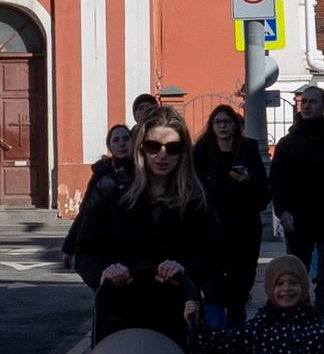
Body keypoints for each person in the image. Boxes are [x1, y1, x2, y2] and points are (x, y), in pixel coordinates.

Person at [67, 109, 223, 336]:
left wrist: (185, 270)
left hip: (175, 312)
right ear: (140, 148)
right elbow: (85, 251)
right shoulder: (110, 189)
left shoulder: (197, 194)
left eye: (172, 148)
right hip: (119, 311)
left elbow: (214, 252)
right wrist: (104, 273)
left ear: (182, 152)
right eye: (153, 147)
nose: (162, 155)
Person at [266, 81, 324, 317]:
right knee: (297, 277)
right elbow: (277, 182)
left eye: (313, 102)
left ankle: (323, 326)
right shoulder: (287, 144)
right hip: (297, 221)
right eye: (304, 102)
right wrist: (282, 211)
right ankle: (301, 321)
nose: (306, 106)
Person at [194, 101, 269, 350]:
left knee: (240, 284)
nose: (223, 126)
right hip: (211, 228)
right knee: (214, 285)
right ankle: (214, 340)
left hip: (243, 228)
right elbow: (194, 190)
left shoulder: (247, 149)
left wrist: (247, 181)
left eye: (227, 122)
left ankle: (237, 340)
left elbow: (263, 195)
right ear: (212, 126)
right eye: (218, 122)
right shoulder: (201, 152)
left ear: (236, 125)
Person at [61, 122, 135, 277]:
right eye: (116, 140)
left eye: (125, 139)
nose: (121, 143)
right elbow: (86, 211)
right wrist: (69, 247)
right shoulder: (102, 174)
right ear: (109, 146)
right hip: (106, 247)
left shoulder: (142, 171)